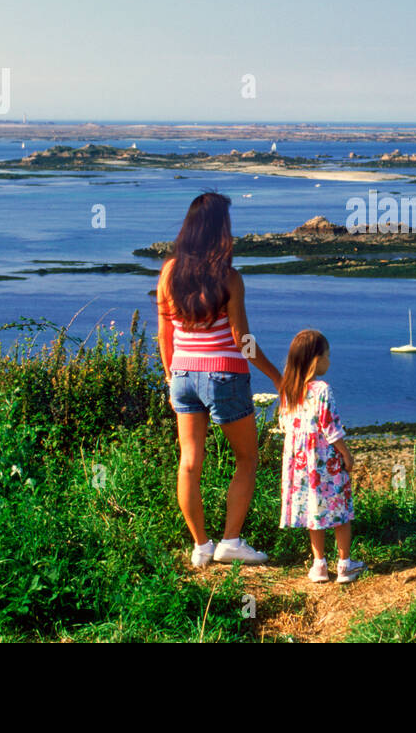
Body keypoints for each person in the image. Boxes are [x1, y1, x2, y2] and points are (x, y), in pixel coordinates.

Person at [156, 191, 282, 567]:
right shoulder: (228, 278)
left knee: (189, 463)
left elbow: (164, 335)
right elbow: (242, 340)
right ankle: (230, 541)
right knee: (247, 459)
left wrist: (170, 376)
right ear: (218, 231)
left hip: (182, 374)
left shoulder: (168, 272)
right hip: (224, 375)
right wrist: (277, 376)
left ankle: (201, 547)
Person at [277, 329, 365, 584]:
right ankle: (345, 564)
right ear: (316, 359)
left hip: (302, 465)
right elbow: (331, 428)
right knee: (340, 512)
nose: (329, 360)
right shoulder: (322, 389)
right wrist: (346, 455)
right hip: (326, 462)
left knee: (314, 512)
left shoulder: (288, 389)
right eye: (327, 355)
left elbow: (286, 424)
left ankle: (319, 565)